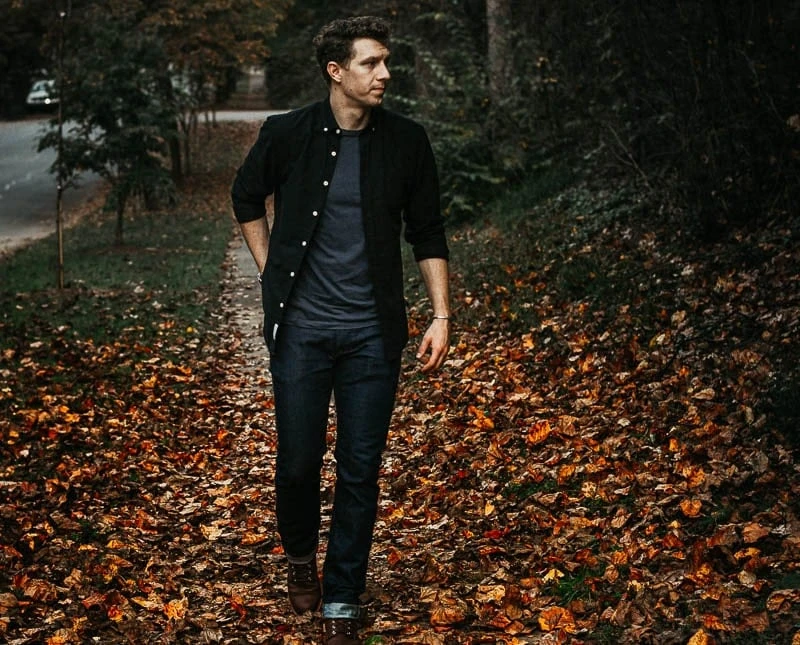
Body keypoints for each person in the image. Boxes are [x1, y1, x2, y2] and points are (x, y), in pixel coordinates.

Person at [230, 15, 451, 645]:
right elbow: (246, 197)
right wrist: (271, 269)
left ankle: (344, 595)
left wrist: (440, 314)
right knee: (299, 463)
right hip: (301, 330)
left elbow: (427, 231)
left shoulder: (408, 142)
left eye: (386, 62)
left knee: (360, 467)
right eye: (370, 63)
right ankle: (301, 556)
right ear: (336, 71)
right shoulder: (288, 133)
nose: (385, 74)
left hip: (373, 337)